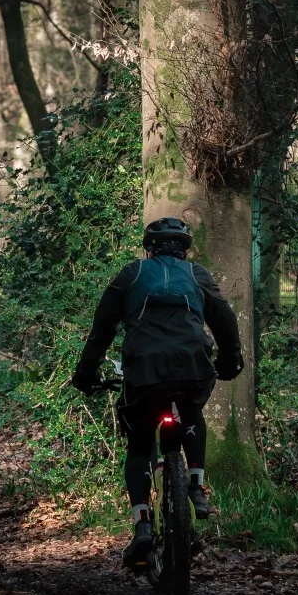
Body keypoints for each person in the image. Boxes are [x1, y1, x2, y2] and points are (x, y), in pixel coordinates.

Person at [71, 217, 243, 569]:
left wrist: (85, 374)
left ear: (148, 248)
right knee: (191, 412)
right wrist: (231, 361)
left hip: (144, 374)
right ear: (184, 250)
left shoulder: (131, 274)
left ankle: (143, 527)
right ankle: (196, 485)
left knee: (138, 445)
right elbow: (224, 319)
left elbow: (101, 328)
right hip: (192, 370)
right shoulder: (198, 275)